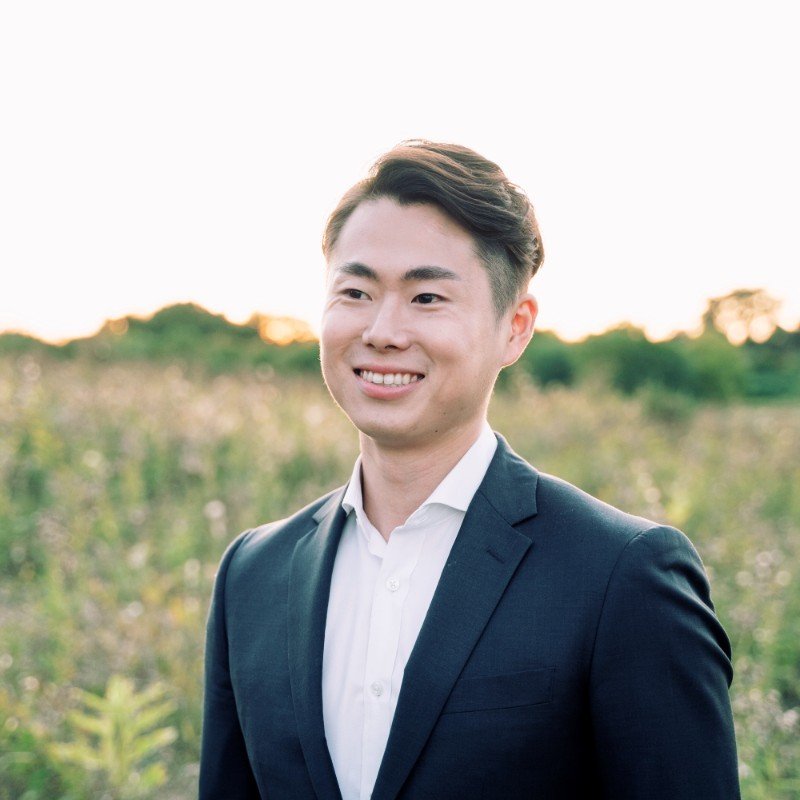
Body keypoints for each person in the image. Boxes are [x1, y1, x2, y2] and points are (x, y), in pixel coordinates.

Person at [200, 140, 740, 799]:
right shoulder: (253, 574)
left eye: (427, 297)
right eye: (355, 291)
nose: (383, 330)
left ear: (515, 328)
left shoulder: (621, 576)